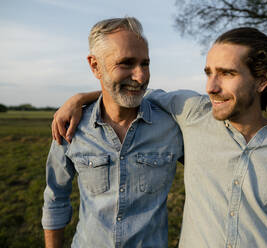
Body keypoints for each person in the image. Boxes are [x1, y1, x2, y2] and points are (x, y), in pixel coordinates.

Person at [52, 27, 267, 247]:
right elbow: (131, 90)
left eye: (227, 74)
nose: (210, 87)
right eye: (208, 73)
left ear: (262, 81)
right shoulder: (192, 113)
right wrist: (80, 99)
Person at [41, 17, 184, 248]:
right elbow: (55, 198)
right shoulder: (71, 127)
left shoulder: (171, 128)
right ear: (95, 65)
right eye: (126, 63)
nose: (140, 77)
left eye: (145, 64)